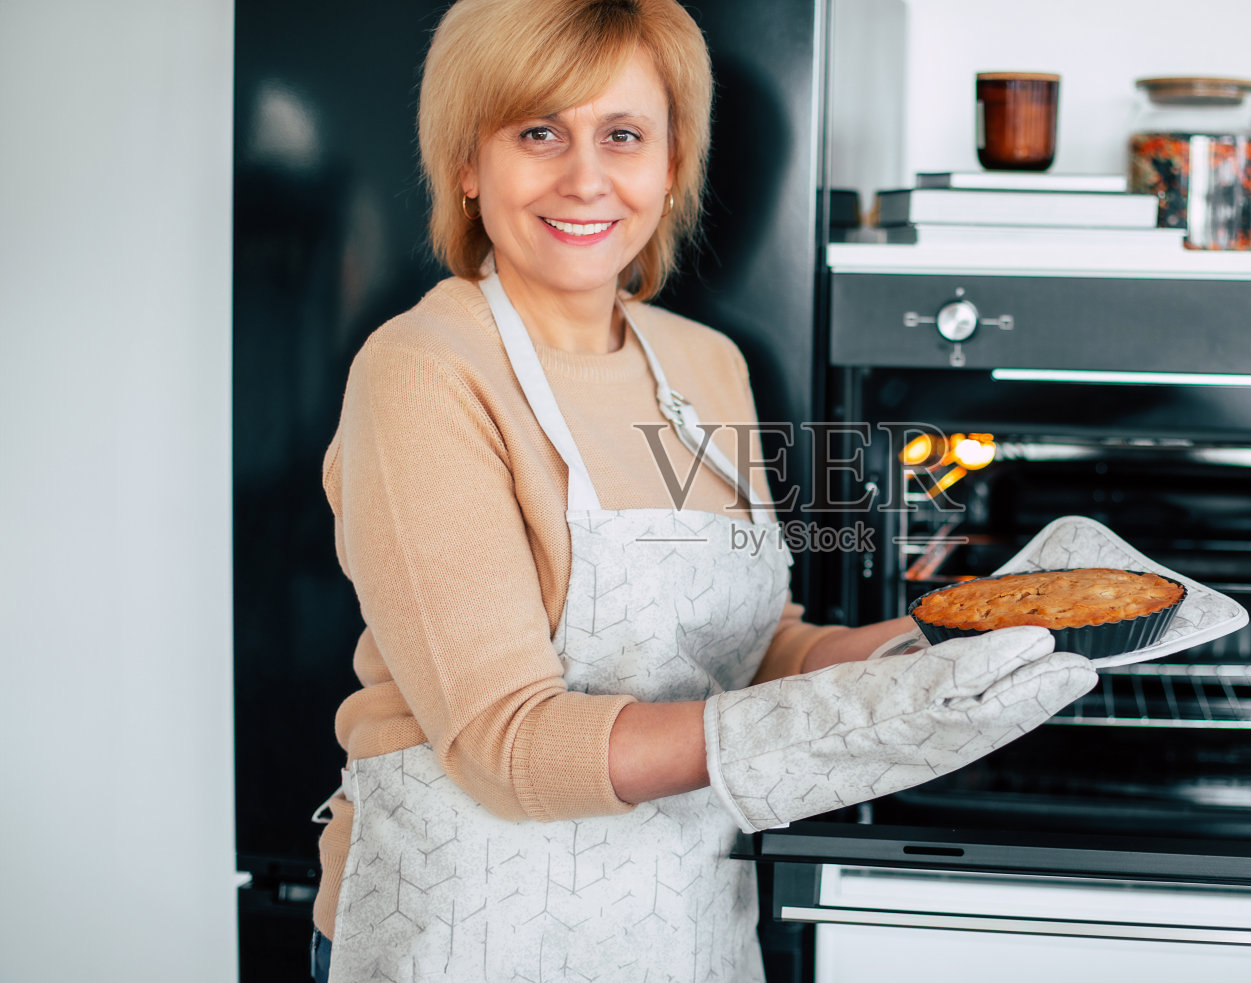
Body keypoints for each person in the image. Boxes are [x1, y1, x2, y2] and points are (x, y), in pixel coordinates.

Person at [308, 1, 1098, 980]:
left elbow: (751, 646)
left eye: (624, 135)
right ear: (468, 163)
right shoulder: (423, 371)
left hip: (678, 926)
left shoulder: (705, 363)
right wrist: (837, 724)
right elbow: (502, 744)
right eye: (538, 131)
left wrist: (929, 647)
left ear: (671, 165)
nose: (586, 176)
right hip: (467, 928)